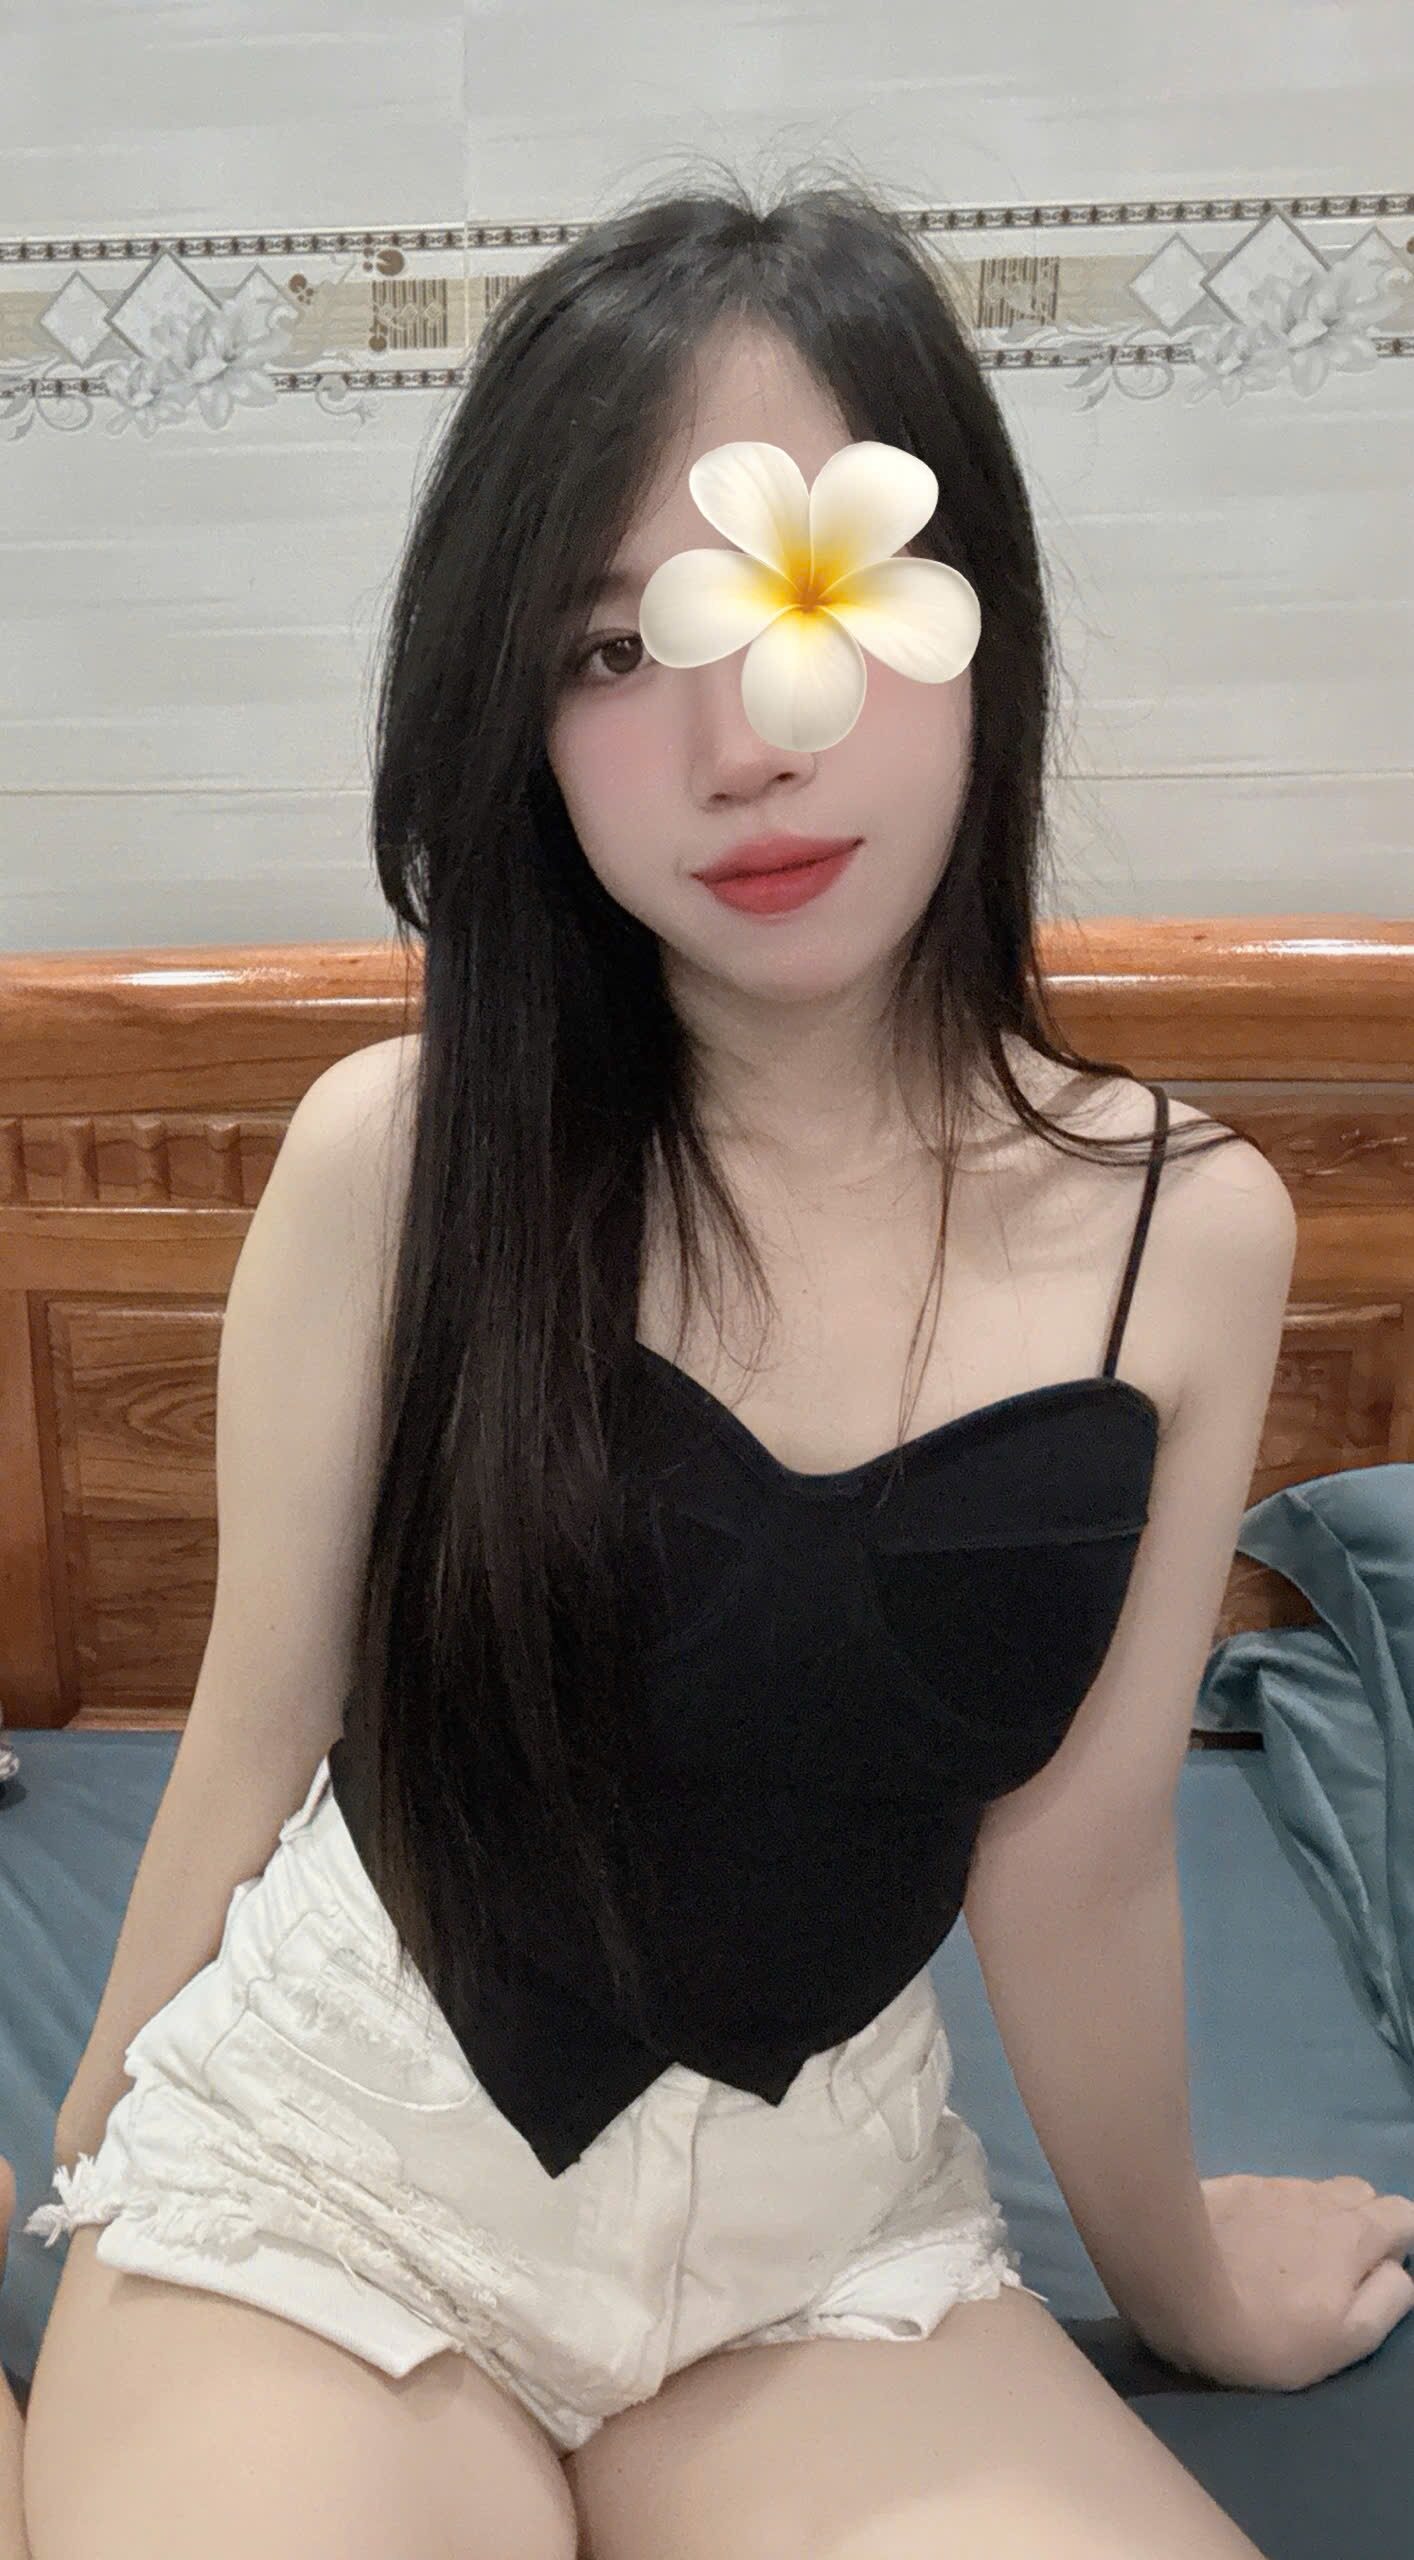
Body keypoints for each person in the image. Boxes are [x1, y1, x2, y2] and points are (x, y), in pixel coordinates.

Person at [9, 168, 1414, 2560]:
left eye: (800, 602)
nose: (739, 745)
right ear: (520, 729)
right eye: (602, 647)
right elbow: (259, 1723)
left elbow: (1074, 1862)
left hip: (814, 2247)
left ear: (975, 620)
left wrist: (1190, 2284)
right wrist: (90, 2176)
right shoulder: (401, 1154)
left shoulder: (1184, 1235)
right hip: (322, 2194)